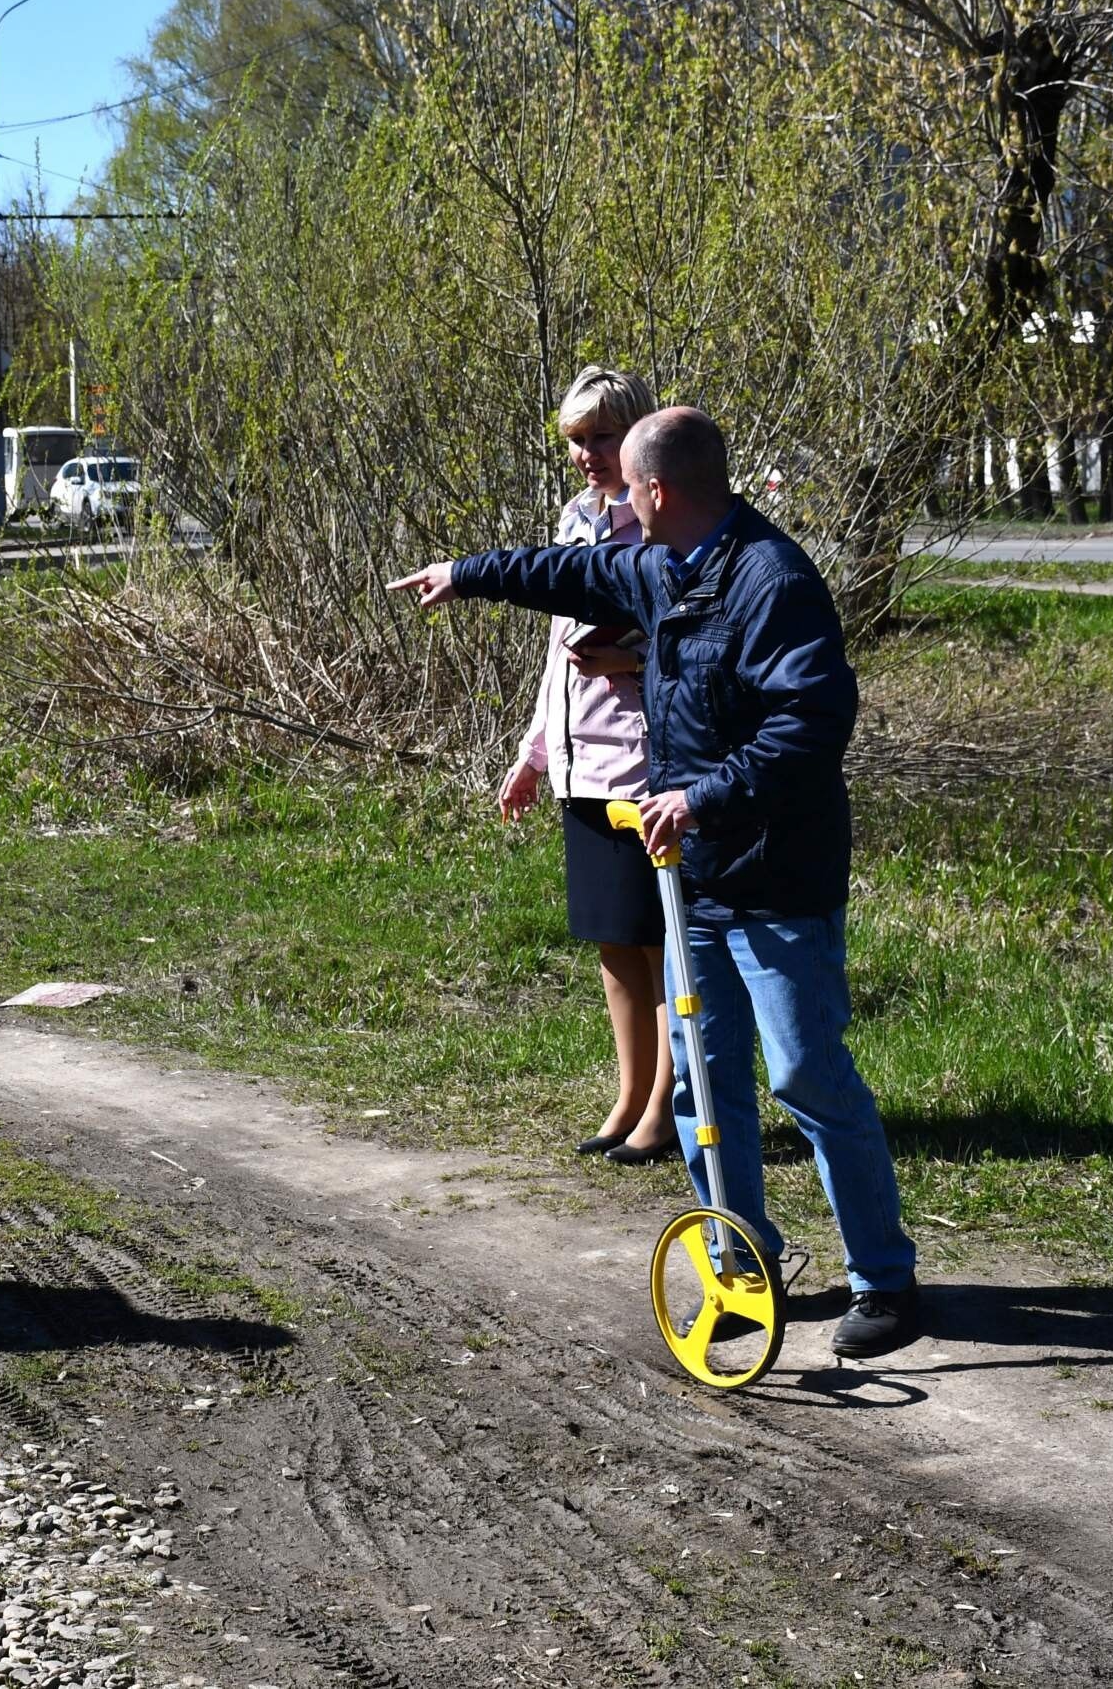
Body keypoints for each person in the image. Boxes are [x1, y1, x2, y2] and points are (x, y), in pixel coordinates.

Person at [390, 406, 922, 1358]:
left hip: (778, 877)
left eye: (626, 485)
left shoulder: (772, 580)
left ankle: (884, 1278)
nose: (616, 500)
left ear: (659, 491)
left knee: (805, 1073)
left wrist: (704, 797)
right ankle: (741, 1265)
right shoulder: (661, 567)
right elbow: (562, 573)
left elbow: (808, 728)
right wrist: (464, 574)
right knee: (705, 1088)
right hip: (698, 883)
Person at [500, 366, 677, 1166]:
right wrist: (535, 756)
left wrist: (632, 655)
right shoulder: (575, 521)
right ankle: (628, 1093)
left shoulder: (665, 520)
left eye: (601, 438)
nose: (587, 455)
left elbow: (694, 639)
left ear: (636, 436)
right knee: (613, 942)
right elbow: (554, 660)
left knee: (661, 945)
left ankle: (669, 1110)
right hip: (581, 767)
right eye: (575, 440)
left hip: (647, 765)